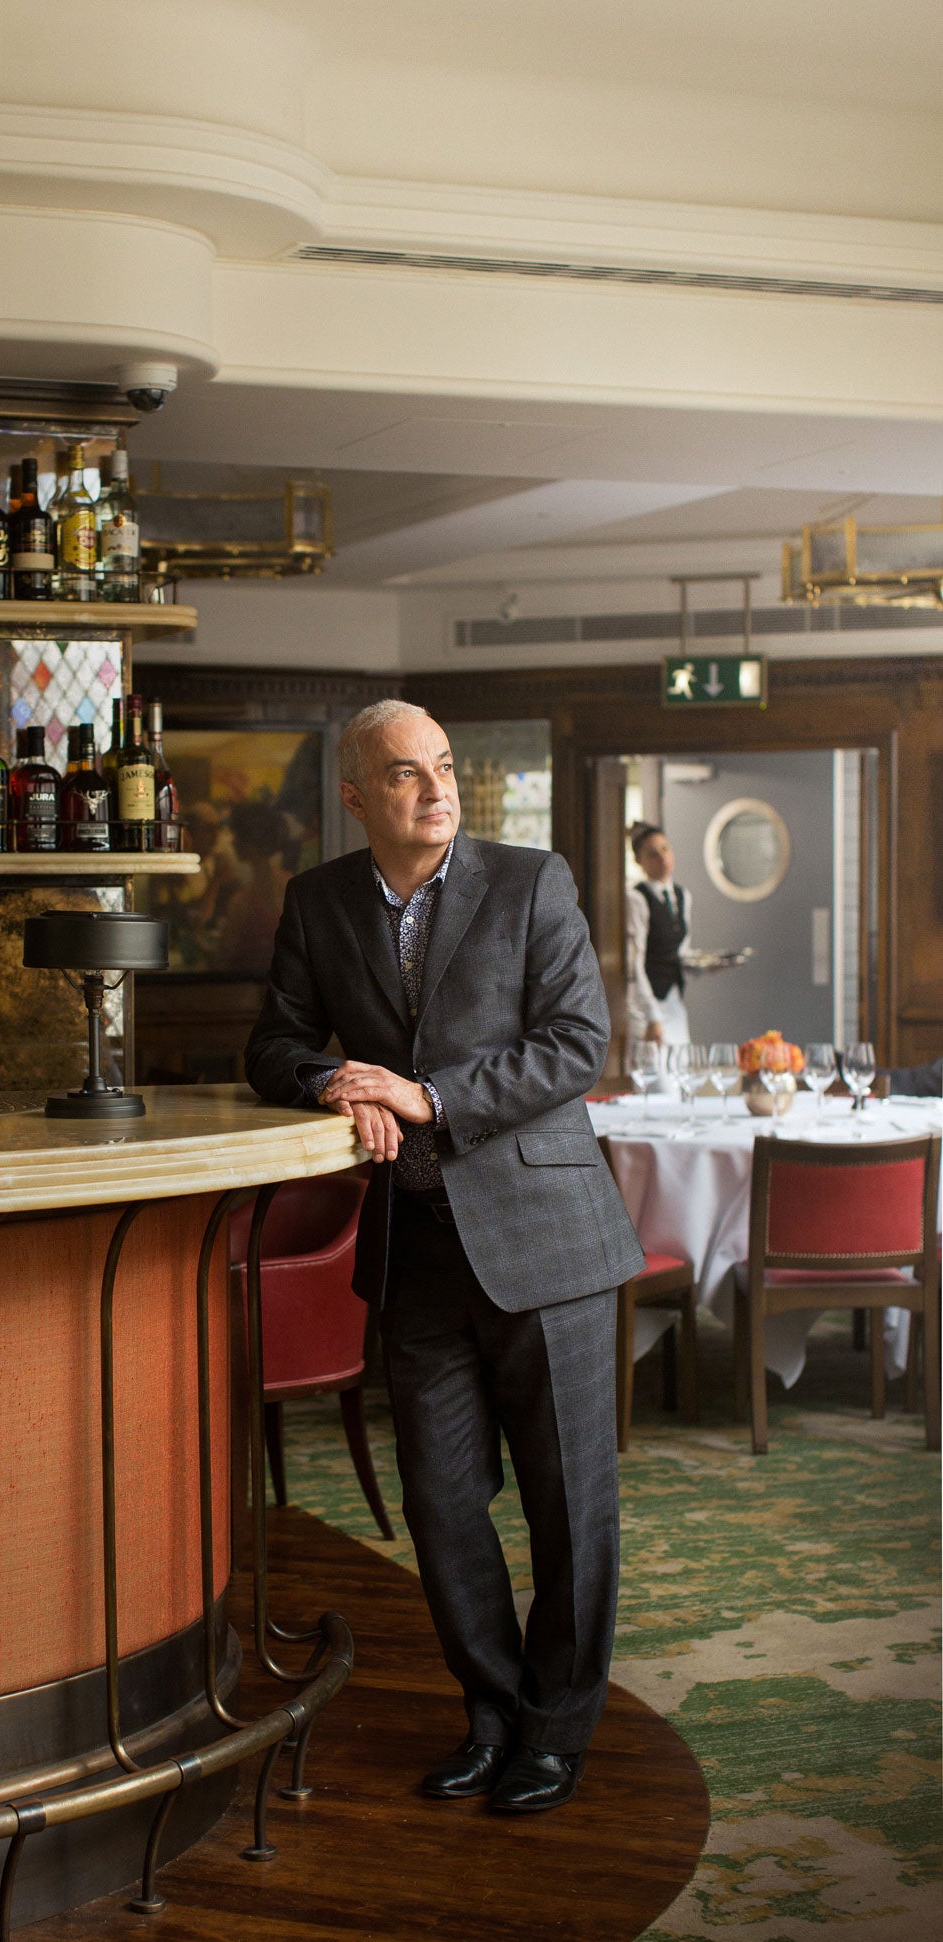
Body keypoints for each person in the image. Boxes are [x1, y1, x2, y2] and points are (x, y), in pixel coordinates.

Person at [245, 699, 644, 1814]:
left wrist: (423, 1095)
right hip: (413, 1250)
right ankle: (492, 1707)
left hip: (547, 1244)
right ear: (358, 794)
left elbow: (576, 1043)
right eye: (407, 773)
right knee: (440, 1502)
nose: (436, 788)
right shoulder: (319, 903)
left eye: (447, 767)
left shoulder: (532, 881)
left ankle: (557, 1728)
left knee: (572, 1505)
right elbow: (270, 1039)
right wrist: (334, 1079)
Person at [626, 822, 696, 1053]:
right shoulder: (636, 898)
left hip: (674, 999)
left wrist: (705, 966)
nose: (662, 858)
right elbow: (634, 963)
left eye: (665, 849)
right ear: (639, 861)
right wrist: (652, 1017)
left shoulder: (682, 895)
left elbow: (681, 952)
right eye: (652, 854)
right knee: (657, 1080)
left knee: (681, 1074)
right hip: (647, 1005)